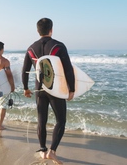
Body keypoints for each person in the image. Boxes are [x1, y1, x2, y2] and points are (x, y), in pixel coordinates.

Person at [22, 18, 75, 164]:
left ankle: (43, 150)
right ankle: (52, 151)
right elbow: (68, 69)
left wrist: (26, 88)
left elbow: (25, 70)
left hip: (39, 90)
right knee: (61, 120)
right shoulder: (58, 46)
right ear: (51, 29)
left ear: (38, 30)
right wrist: (72, 89)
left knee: (41, 121)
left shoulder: (31, 48)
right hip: (55, 90)